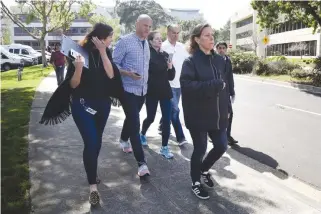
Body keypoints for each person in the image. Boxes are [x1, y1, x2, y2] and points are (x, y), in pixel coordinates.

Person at [40, 23, 124, 205]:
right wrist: (78, 68)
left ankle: (92, 172)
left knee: (98, 140)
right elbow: (73, 85)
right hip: (82, 105)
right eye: (110, 37)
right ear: (100, 37)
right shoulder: (79, 52)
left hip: (102, 105)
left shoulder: (106, 52)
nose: (112, 40)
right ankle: (93, 187)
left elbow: (111, 75)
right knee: (91, 142)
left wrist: (103, 52)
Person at [180, 24, 230, 200]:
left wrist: (227, 109)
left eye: (212, 35)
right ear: (197, 39)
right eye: (207, 35)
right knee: (200, 148)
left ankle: (203, 169)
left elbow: (225, 86)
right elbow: (186, 87)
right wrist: (212, 86)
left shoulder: (220, 60)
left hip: (219, 114)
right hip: (198, 114)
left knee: (221, 146)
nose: (211, 38)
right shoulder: (190, 62)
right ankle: (195, 182)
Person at [113, 14, 152, 177]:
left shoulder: (147, 43)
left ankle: (123, 139)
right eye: (145, 26)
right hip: (127, 90)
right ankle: (142, 164)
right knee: (135, 124)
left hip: (142, 90)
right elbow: (113, 64)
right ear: (137, 24)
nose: (147, 30)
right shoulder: (125, 41)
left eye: (150, 27)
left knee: (131, 118)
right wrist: (127, 73)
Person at [140, 31, 176, 158]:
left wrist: (170, 67)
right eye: (156, 39)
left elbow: (171, 77)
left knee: (167, 119)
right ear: (150, 41)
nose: (160, 41)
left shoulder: (166, 55)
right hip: (152, 91)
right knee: (151, 117)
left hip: (165, 91)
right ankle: (142, 133)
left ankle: (164, 148)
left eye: (161, 39)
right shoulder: (146, 55)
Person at [159, 24, 189, 146]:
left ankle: (162, 125)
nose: (176, 35)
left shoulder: (182, 47)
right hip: (167, 84)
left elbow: (188, 62)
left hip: (179, 84)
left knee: (171, 109)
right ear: (168, 32)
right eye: (173, 33)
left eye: (178, 33)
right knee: (175, 110)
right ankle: (181, 137)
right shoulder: (162, 47)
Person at [216, 41, 238, 145]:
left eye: (223, 48)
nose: (221, 50)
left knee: (230, 113)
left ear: (226, 49)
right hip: (216, 92)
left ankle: (227, 135)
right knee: (217, 115)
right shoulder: (213, 60)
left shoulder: (228, 60)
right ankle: (214, 135)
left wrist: (232, 92)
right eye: (219, 48)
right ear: (217, 49)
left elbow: (230, 78)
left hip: (226, 92)